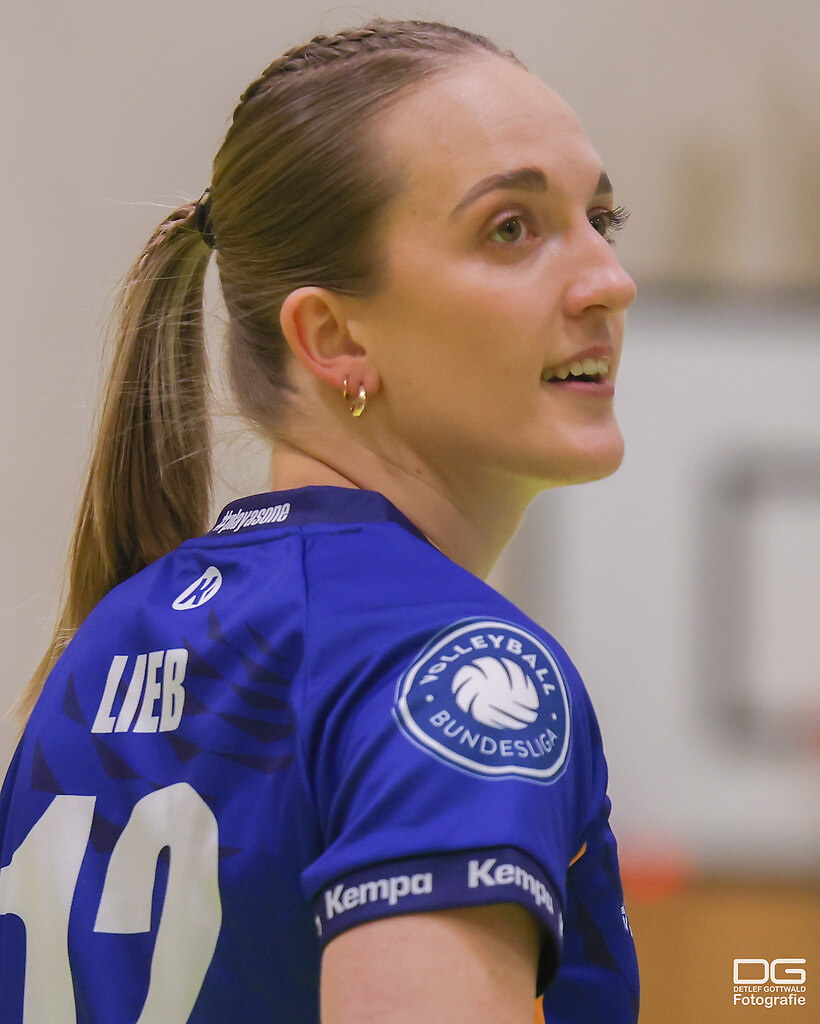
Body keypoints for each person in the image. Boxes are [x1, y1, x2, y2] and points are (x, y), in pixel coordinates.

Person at [0, 18, 639, 1024]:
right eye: (510, 228)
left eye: (602, 218)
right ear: (333, 337)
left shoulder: (106, 642)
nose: (609, 279)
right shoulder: (455, 671)